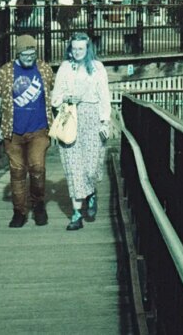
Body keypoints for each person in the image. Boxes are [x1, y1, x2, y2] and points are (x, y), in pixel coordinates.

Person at [0, 34, 56, 228]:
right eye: (25, 53)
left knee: (37, 167)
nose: (29, 57)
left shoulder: (44, 68)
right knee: (17, 172)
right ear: (17, 53)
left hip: (39, 129)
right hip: (13, 132)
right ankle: (19, 212)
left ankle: (38, 205)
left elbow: (54, 93)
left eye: (32, 53)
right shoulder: (5, 72)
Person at [51, 33, 112, 231]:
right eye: (74, 48)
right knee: (74, 166)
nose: (77, 52)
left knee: (90, 167)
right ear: (70, 49)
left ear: (88, 49)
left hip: (92, 117)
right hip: (70, 117)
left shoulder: (97, 68)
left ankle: (91, 192)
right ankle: (76, 214)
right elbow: (55, 98)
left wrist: (105, 121)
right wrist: (68, 98)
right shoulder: (64, 68)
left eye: (81, 49)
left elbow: (104, 96)